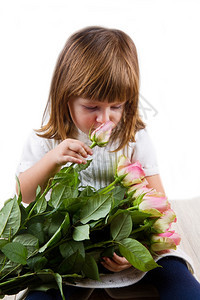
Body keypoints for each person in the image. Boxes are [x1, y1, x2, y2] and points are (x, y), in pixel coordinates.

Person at [16, 26, 200, 300]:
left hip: (124, 241)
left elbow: (159, 204)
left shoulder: (133, 137)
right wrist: (53, 160)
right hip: (69, 246)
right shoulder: (49, 140)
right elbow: (23, 194)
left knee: (177, 276)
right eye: (92, 107)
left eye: (116, 106)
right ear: (65, 98)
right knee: (42, 289)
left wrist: (136, 247)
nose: (105, 119)